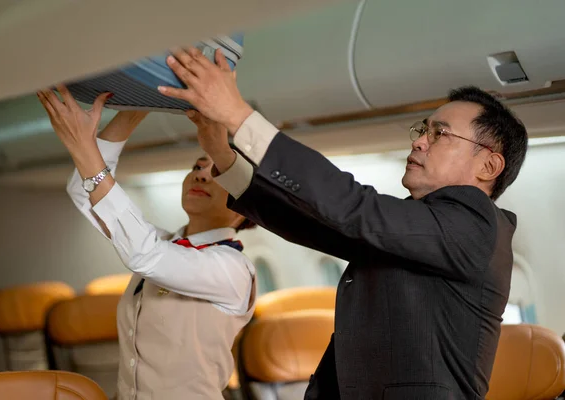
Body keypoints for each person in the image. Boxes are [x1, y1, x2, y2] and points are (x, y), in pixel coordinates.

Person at [160, 48, 528, 399]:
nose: (419, 143)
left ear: (488, 166)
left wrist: (239, 116)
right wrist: (221, 153)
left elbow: (353, 205)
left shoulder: (476, 225)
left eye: (439, 134)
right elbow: (316, 222)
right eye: (423, 130)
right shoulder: (425, 227)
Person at [36, 87, 257, 400]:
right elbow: (83, 193)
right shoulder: (167, 244)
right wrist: (133, 110)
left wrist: (84, 148)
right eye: (197, 166)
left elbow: (144, 254)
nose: (201, 176)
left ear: (245, 206)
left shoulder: (233, 269)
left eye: (218, 173)